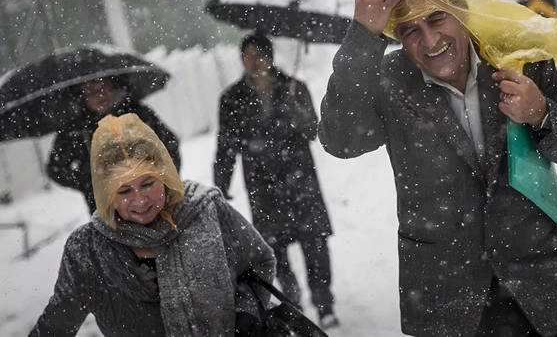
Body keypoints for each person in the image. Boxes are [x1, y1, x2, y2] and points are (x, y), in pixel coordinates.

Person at [318, 0, 557, 336]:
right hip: (446, 303)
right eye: (410, 30)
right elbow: (341, 140)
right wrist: (361, 36)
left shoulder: (518, 59)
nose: (430, 40)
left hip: (547, 290)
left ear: (461, 12)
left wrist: (542, 113)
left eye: (437, 19)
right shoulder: (387, 80)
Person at [30, 113, 275, 337]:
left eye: (148, 183)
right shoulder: (87, 251)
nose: (140, 199)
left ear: (165, 174)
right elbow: (54, 327)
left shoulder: (206, 211)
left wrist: (246, 313)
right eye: (123, 190)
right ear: (106, 193)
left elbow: (259, 262)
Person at [214, 33, 338, 328]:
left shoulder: (295, 89)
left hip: (300, 181)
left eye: (260, 54)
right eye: (248, 55)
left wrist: (295, 112)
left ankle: (324, 305)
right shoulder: (232, 99)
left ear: (271, 57)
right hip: (262, 184)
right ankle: (292, 304)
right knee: (273, 250)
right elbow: (226, 146)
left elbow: (312, 132)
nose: (254, 61)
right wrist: (221, 184)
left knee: (315, 244)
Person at [47, 77, 181, 214]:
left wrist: (163, 179)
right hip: (108, 211)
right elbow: (56, 169)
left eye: (104, 87)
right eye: (91, 90)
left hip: (154, 201)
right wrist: (91, 183)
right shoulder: (75, 129)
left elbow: (170, 145)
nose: (101, 95)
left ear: (113, 86)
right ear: (82, 95)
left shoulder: (137, 113)